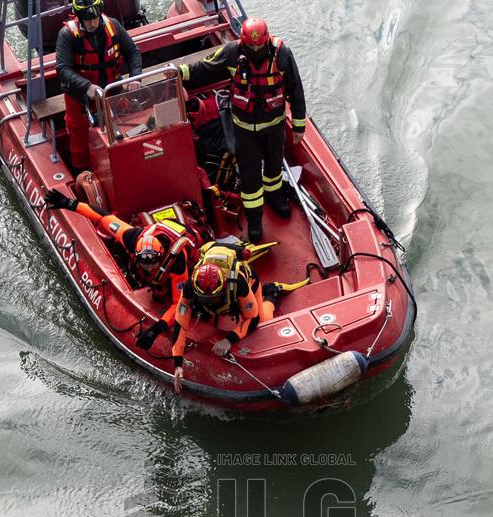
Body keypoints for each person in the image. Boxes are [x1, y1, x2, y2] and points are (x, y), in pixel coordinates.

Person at [179, 17, 306, 242]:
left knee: (275, 167)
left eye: (259, 45)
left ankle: (275, 197)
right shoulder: (231, 53)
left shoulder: (282, 55)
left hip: (274, 127)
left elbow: (296, 89)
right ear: (243, 42)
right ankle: (255, 219)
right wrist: (178, 74)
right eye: (251, 46)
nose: (256, 49)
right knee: (249, 177)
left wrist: (298, 126)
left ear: (266, 41)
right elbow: (205, 68)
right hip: (245, 131)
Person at [139, 239, 305, 394]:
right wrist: (178, 364)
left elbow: (251, 318)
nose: (211, 301)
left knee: (263, 323)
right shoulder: (190, 287)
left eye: (214, 298)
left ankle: (270, 293)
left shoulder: (238, 283)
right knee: (200, 312)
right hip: (211, 296)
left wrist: (229, 340)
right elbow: (181, 323)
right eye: (206, 298)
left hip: (248, 286)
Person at [44, 188, 199, 324]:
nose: (149, 266)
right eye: (144, 262)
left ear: (161, 256)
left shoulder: (177, 260)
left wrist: (160, 326)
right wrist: (69, 204)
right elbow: (103, 218)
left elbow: (179, 303)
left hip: (187, 259)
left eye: (153, 262)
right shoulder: (131, 237)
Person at [55, 0, 142, 174]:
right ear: (79, 17)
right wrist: (86, 86)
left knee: (126, 126)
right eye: (88, 19)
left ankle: (127, 164)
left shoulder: (113, 26)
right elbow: (62, 69)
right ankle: (83, 172)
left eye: (95, 18)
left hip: (111, 90)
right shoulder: (67, 35)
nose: (93, 23)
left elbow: (133, 52)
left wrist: (135, 77)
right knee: (79, 136)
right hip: (81, 97)